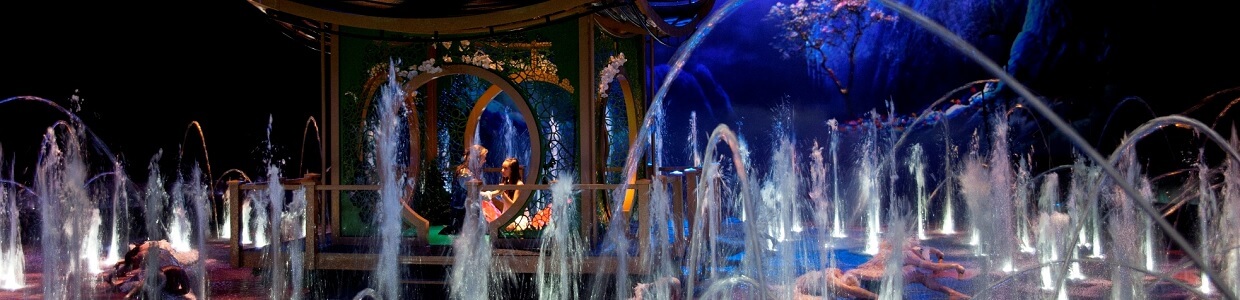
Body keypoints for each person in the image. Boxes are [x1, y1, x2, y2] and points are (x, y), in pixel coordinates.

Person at [848, 238, 971, 300]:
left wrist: (937, 253)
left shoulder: (885, 251)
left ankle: (952, 293)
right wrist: (955, 266)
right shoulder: (906, 254)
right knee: (917, 274)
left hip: (862, 279)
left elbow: (926, 250)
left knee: (917, 274)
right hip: (877, 283)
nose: (916, 245)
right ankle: (953, 294)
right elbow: (933, 266)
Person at [104, 240, 196, 299]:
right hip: (166, 264)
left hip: (165, 264)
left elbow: (143, 280)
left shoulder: (145, 256)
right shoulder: (145, 255)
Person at [439, 144, 488, 235]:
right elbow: (472, 192)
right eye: (483, 158)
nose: (484, 161)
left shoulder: (469, 172)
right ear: (477, 159)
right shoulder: (465, 173)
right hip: (461, 214)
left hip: (465, 212)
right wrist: (489, 195)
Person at [481, 157, 523, 222]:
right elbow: (497, 194)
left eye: (505, 168)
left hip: (516, 218)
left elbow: (514, 207)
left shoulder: (519, 185)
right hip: (506, 215)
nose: (502, 170)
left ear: (512, 170)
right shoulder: (506, 182)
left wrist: (502, 193)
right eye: (502, 167)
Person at [793, 267, 878, 299]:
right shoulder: (832, 279)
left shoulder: (838, 273)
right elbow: (850, 290)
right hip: (796, 287)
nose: (847, 295)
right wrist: (877, 297)